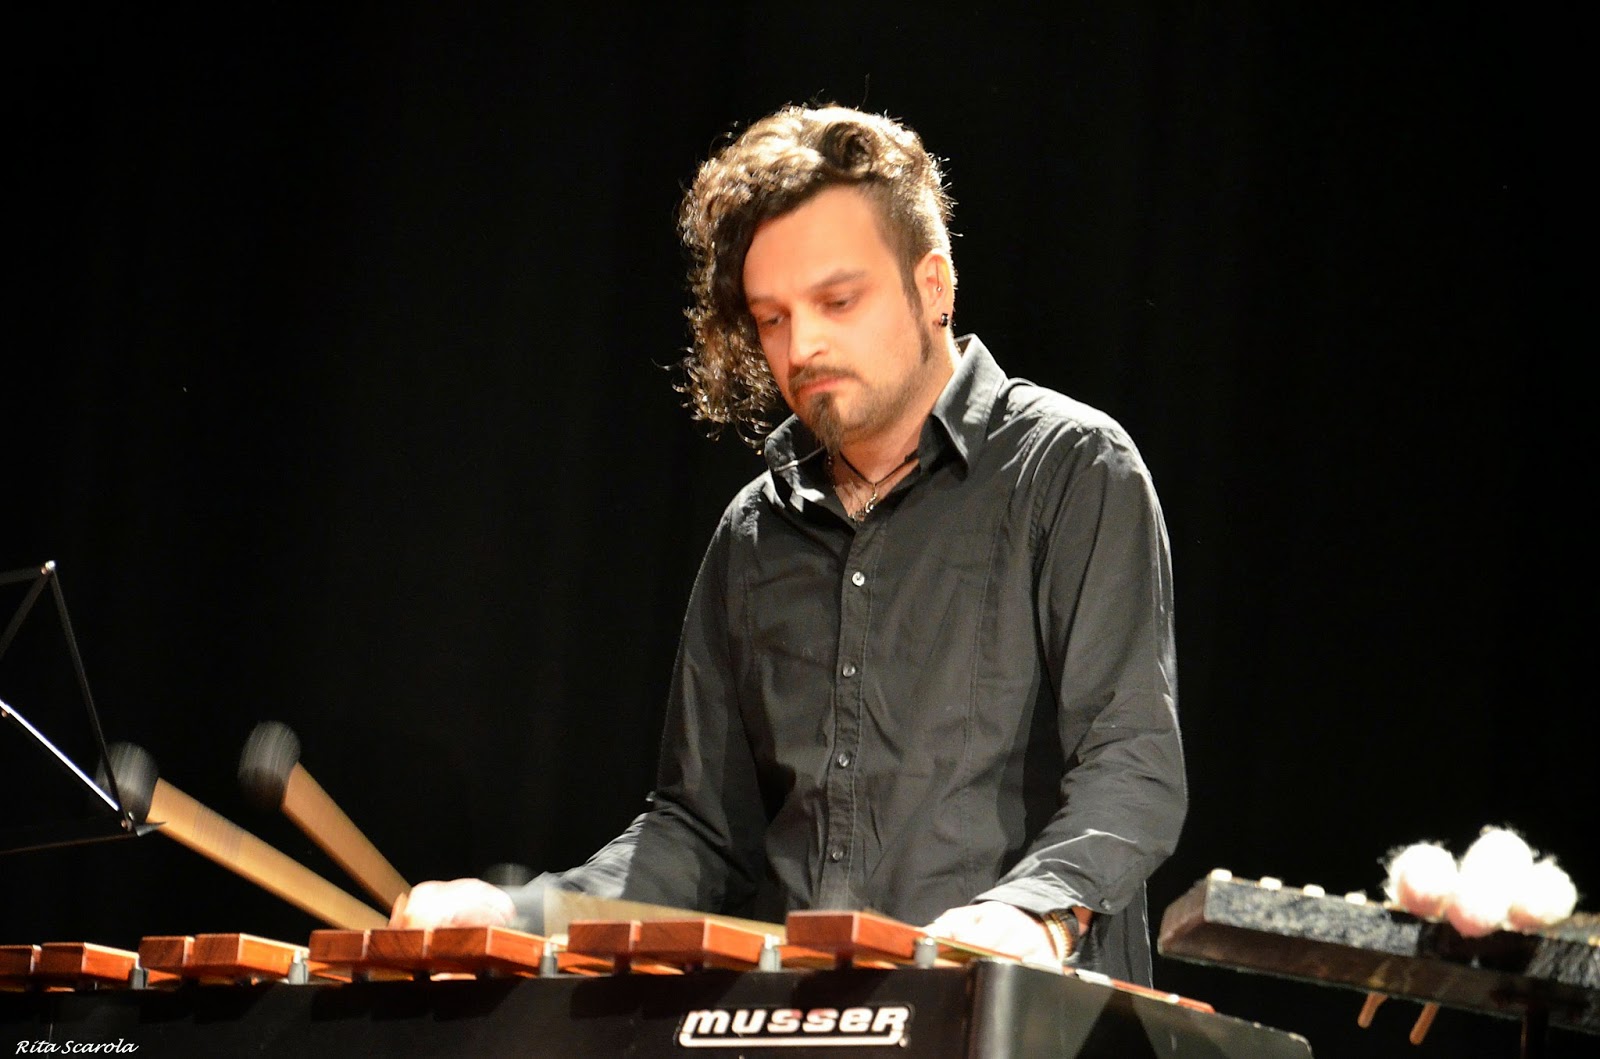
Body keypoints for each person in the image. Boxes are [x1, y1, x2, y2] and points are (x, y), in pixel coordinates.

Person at [394, 104, 1185, 984]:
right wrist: (521, 914)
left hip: (1014, 1013)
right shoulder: (753, 534)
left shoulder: (1071, 469)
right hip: (799, 1020)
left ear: (933, 285)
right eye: (772, 318)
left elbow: (1132, 770)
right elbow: (701, 833)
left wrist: (1026, 915)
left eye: (837, 301)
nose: (801, 345)